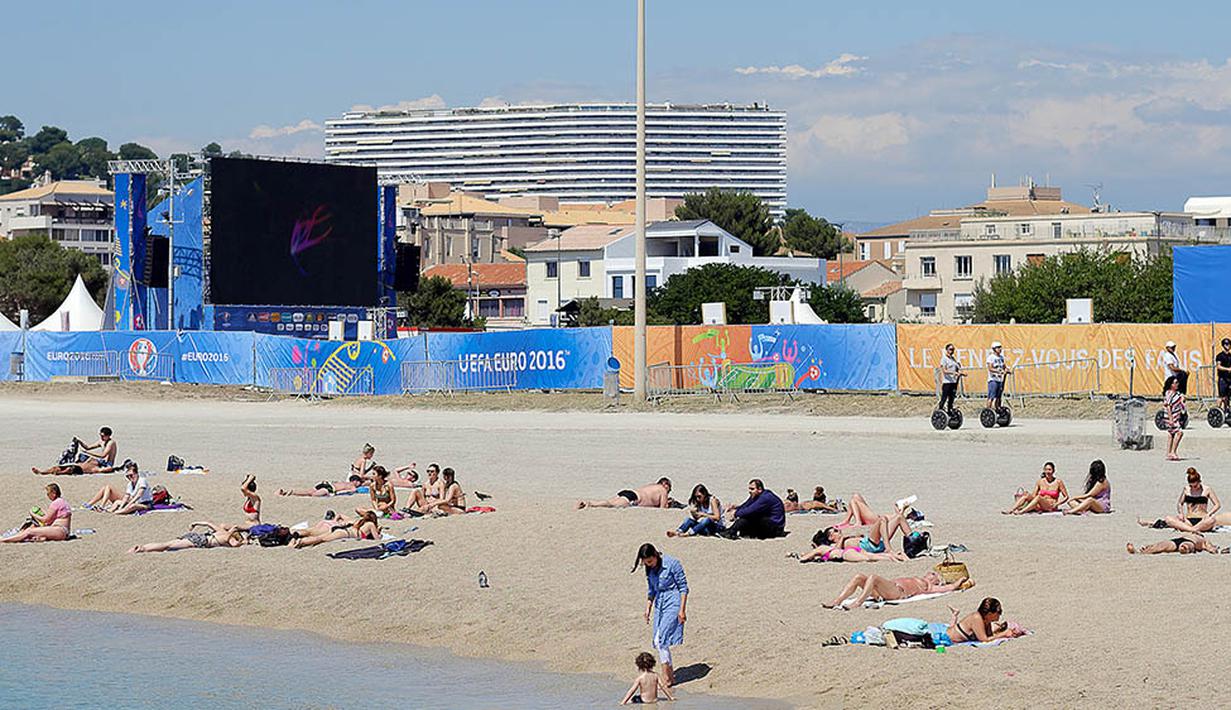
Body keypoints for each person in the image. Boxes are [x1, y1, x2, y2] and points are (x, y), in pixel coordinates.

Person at [632, 543, 688, 688]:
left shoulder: (672, 563)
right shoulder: (649, 570)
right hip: (660, 605)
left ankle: (666, 678)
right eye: (646, 563)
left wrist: (682, 610)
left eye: (650, 561)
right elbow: (651, 591)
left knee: (661, 639)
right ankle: (669, 675)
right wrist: (648, 609)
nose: (648, 565)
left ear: (655, 555)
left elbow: (683, 587)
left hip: (673, 601)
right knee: (657, 641)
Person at [1138, 467, 1227, 533]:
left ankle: (1192, 529)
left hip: (1202, 520)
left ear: (1200, 481)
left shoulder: (1207, 489)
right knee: (1168, 519)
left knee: (1212, 520)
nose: (1193, 488)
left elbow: (1217, 505)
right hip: (1188, 519)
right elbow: (1180, 503)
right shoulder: (1186, 489)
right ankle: (1193, 529)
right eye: (1191, 486)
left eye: (1195, 486)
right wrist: (1181, 513)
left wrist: (1209, 514)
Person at [823, 570, 970, 610]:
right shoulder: (919, 578)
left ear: (936, 581)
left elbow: (949, 587)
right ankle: (837, 601)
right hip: (886, 590)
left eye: (933, 575)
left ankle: (858, 602)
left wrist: (960, 581)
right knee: (859, 577)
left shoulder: (930, 586)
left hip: (897, 593)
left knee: (873, 577)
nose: (929, 574)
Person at [33, 427, 118, 475]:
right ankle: (43, 471)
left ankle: (66, 471)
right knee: (80, 459)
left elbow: (103, 455)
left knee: (88, 464)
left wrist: (88, 453)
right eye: (100, 435)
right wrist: (79, 441)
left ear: (108, 436)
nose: (101, 438)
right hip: (99, 461)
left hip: (106, 464)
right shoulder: (102, 441)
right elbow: (88, 447)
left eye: (103, 436)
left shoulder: (111, 443)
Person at [2, 483, 71, 543]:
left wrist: (33, 514)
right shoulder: (62, 501)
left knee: (29, 531)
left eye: (48, 493)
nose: (48, 496)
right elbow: (52, 517)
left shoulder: (56, 503)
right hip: (63, 531)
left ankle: (4, 540)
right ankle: (39, 537)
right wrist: (41, 511)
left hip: (59, 530)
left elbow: (45, 520)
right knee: (33, 529)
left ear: (53, 493)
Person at [720, 479, 785, 539]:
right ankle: (731, 531)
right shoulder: (757, 495)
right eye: (749, 489)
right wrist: (736, 509)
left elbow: (750, 510)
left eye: (752, 489)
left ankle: (731, 531)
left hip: (776, 527)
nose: (750, 491)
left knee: (751, 516)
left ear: (759, 489)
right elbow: (746, 505)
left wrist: (735, 513)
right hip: (768, 524)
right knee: (749, 516)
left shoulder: (765, 498)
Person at [797, 528, 907, 563]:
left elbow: (804, 558)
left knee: (869, 558)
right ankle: (897, 556)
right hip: (852, 550)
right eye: (835, 531)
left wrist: (803, 556)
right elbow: (816, 556)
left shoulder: (823, 549)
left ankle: (895, 558)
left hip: (847, 553)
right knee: (872, 556)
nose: (838, 530)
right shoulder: (825, 550)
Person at [129, 521, 246, 553]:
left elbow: (208, 523)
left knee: (169, 544)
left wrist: (194, 524)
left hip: (198, 536)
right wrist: (243, 541)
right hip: (200, 541)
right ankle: (142, 549)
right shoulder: (229, 538)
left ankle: (143, 548)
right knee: (167, 545)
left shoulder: (221, 531)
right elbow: (235, 544)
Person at [85, 461, 153, 515]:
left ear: (136, 473)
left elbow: (138, 495)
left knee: (132, 506)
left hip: (145, 504)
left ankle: (116, 512)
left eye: (131, 475)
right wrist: (121, 506)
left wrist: (128, 505)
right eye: (127, 476)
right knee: (117, 502)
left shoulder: (142, 480)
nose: (129, 478)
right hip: (134, 502)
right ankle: (107, 511)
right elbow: (126, 496)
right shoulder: (130, 484)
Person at [947, 598, 1024, 643]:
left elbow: (990, 636)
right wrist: (1003, 633)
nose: (1000, 615)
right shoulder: (976, 618)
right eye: (998, 612)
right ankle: (955, 615)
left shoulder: (986, 620)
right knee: (951, 629)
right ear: (990, 614)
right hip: (947, 637)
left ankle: (955, 615)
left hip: (952, 632)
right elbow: (984, 640)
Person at [1003, 462, 1068, 514]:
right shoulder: (1040, 481)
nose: (1047, 472)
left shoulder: (1058, 482)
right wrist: (1028, 495)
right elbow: (1034, 495)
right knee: (1027, 495)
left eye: (1049, 470)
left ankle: (1021, 512)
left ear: (1053, 471)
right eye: (1046, 470)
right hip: (1039, 505)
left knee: (1039, 497)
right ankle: (1011, 510)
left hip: (1050, 506)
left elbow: (1066, 497)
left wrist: (1057, 504)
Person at [291, 511, 381, 548]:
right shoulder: (371, 524)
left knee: (320, 537)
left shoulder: (358, 521)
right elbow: (377, 539)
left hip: (341, 529)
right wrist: (379, 533)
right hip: (344, 533)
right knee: (321, 539)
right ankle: (300, 542)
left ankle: (299, 540)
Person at [577, 478, 672, 510]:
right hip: (634, 498)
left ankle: (590, 503)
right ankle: (590, 504)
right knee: (611, 504)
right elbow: (662, 508)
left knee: (610, 502)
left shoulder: (652, 486)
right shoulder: (663, 490)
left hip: (630, 493)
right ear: (665, 485)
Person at [1127, 534, 1223, 555]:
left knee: (1185, 546)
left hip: (1191, 543)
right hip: (1177, 540)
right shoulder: (1189, 532)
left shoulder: (1203, 539)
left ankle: (1184, 549)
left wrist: (1213, 549)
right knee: (1161, 546)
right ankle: (1139, 552)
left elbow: (1209, 547)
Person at [278, 475, 365, 497]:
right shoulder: (352, 486)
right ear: (355, 481)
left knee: (309, 491)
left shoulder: (344, 482)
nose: (359, 484)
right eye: (359, 482)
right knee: (313, 495)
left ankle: (289, 492)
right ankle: (288, 493)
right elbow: (351, 491)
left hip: (325, 483)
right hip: (330, 488)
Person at [937, 343, 964, 414]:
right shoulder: (944, 359)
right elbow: (944, 371)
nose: (952, 351)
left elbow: (957, 368)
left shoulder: (953, 359)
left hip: (953, 382)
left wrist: (961, 373)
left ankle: (949, 410)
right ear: (946, 350)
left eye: (953, 350)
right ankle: (940, 410)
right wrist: (954, 373)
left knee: (952, 398)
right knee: (944, 398)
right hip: (947, 382)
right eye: (950, 349)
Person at [1164, 376, 1186, 461]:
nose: (1177, 384)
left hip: (1176, 417)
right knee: (1179, 433)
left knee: (1171, 434)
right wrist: (1170, 419)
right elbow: (1168, 406)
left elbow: (1181, 404)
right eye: (1175, 383)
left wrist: (1182, 399)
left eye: (1177, 382)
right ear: (1171, 384)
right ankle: (1173, 451)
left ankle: (1169, 453)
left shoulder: (1177, 394)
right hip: (1171, 417)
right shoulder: (1169, 393)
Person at [985, 341, 1011, 411]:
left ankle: (997, 409)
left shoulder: (1001, 358)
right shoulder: (991, 357)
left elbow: (1004, 366)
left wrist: (1007, 370)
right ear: (994, 349)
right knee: (991, 397)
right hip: (993, 380)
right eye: (998, 348)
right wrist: (999, 371)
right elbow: (990, 368)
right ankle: (988, 410)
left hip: (1000, 380)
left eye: (1000, 347)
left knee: (999, 397)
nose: (1000, 349)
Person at [1217, 338, 1231, 415]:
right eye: (1226, 344)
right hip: (1222, 379)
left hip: (1229, 379)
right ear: (1223, 345)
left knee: (1227, 397)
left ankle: (1226, 411)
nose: (1228, 346)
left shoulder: (1230, 356)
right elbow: (1218, 366)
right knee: (1221, 396)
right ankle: (1217, 411)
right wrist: (1227, 369)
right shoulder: (1220, 356)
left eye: (1229, 344)